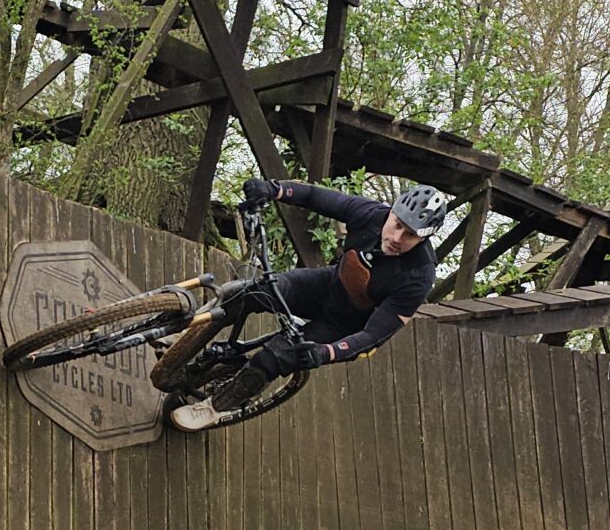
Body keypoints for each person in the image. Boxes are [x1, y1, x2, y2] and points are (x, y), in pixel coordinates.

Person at [171, 176, 451, 431]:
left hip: (343, 325)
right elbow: (314, 196)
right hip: (326, 286)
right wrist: (272, 189)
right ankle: (186, 337)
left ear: (425, 237)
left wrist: (325, 352)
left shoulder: (418, 276)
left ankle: (215, 407)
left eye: (410, 235)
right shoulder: (370, 214)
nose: (397, 238)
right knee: (248, 292)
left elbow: (373, 336)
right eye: (397, 225)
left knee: (274, 357)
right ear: (391, 212)